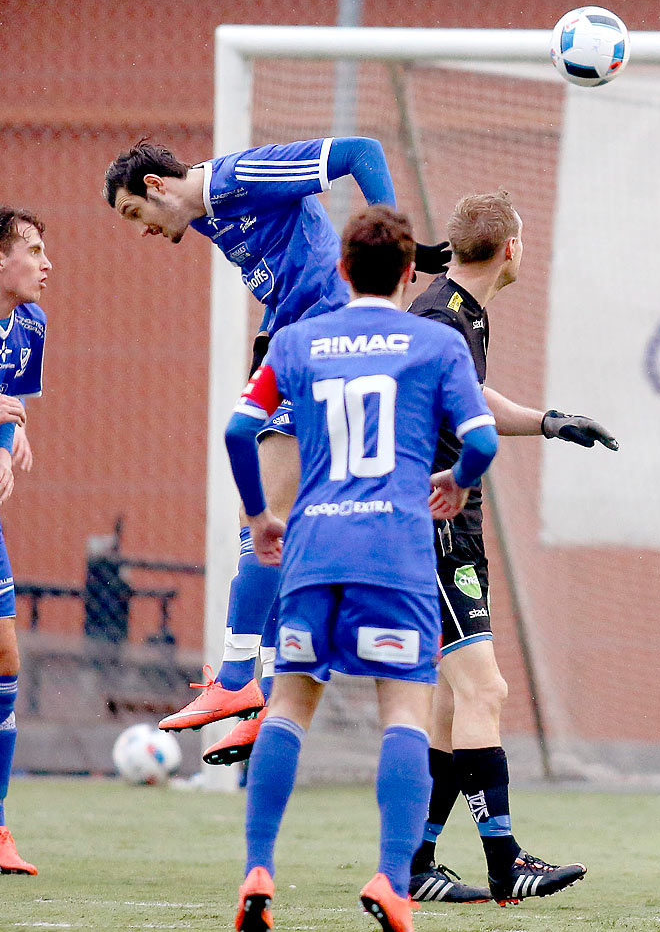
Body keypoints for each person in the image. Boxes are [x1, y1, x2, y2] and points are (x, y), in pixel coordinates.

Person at [104, 138, 449, 765]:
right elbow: (291, 263)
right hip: (299, 345)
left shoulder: (241, 176)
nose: (144, 232)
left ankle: (240, 682)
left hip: (326, 346)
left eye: (136, 215)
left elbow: (362, 152)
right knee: (265, 525)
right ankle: (258, 688)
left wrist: (399, 243)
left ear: (157, 185)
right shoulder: (206, 213)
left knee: (267, 518)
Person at [224, 206, 498, 932]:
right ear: (412, 272)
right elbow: (480, 439)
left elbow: (239, 428)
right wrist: (460, 481)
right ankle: (390, 877)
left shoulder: (296, 340)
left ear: (341, 270)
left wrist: (258, 516)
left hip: (313, 554)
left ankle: (259, 867)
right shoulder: (434, 343)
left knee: (288, 707)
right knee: (404, 713)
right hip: (395, 559)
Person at [392, 190, 613, 905]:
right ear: (511, 249)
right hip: (436, 523)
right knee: (484, 689)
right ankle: (503, 860)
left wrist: (551, 422)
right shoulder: (440, 319)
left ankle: (416, 862)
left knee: (456, 707)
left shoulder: (455, 312)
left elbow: (473, 399)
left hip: (449, 520)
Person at [0, 207, 49, 877]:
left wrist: (13, 441)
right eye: (33, 250)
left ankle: (0, 825)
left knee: (6, 657)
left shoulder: (29, 325)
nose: (47, 263)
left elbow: (15, 399)